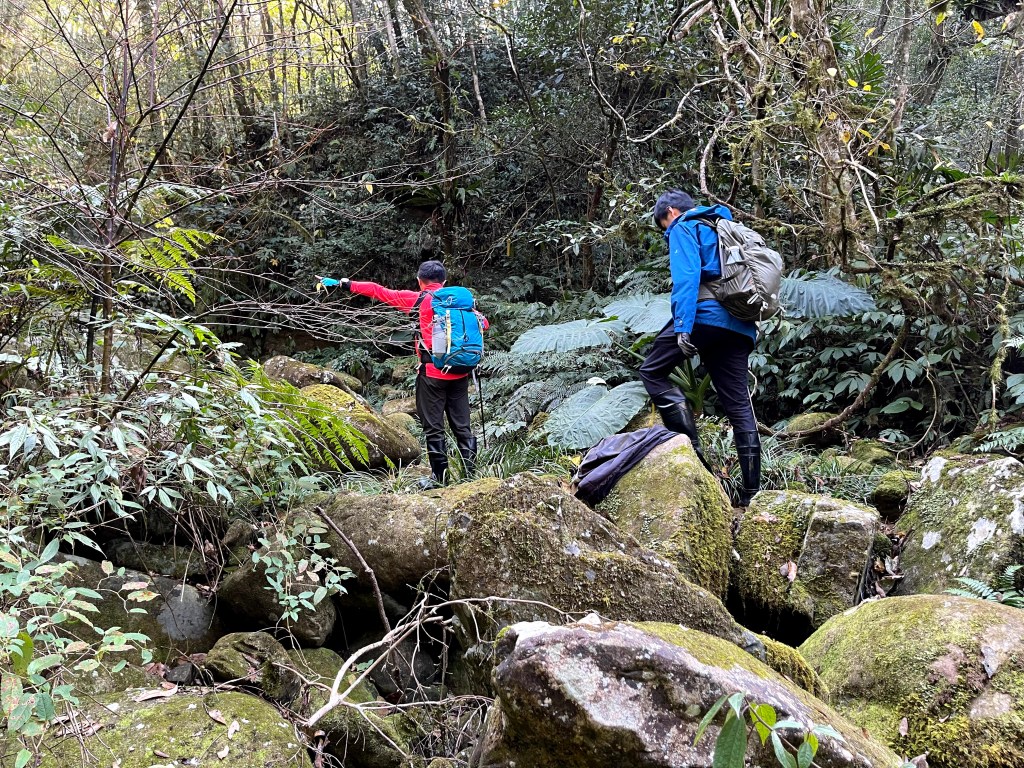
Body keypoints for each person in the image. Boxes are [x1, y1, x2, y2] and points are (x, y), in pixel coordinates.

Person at [639, 189, 761, 506]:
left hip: (705, 317)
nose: (666, 231)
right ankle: (751, 496)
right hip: (741, 325)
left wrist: (682, 327)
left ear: (670, 212)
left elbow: (688, 277)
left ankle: (695, 458)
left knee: (651, 371)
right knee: (739, 406)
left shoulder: (684, 226)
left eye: (663, 225)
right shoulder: (723, 227)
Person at [319, 261, 487, 487]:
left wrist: (345, 284)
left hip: (432, 375)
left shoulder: (417, 300)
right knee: (463, 427)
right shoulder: (462, 304)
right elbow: (484, 324)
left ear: (419, 281)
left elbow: (378, 291)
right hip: (460, 374)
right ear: (444, 281)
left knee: (434, 429)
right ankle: (470, 477)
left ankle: (439, 479)